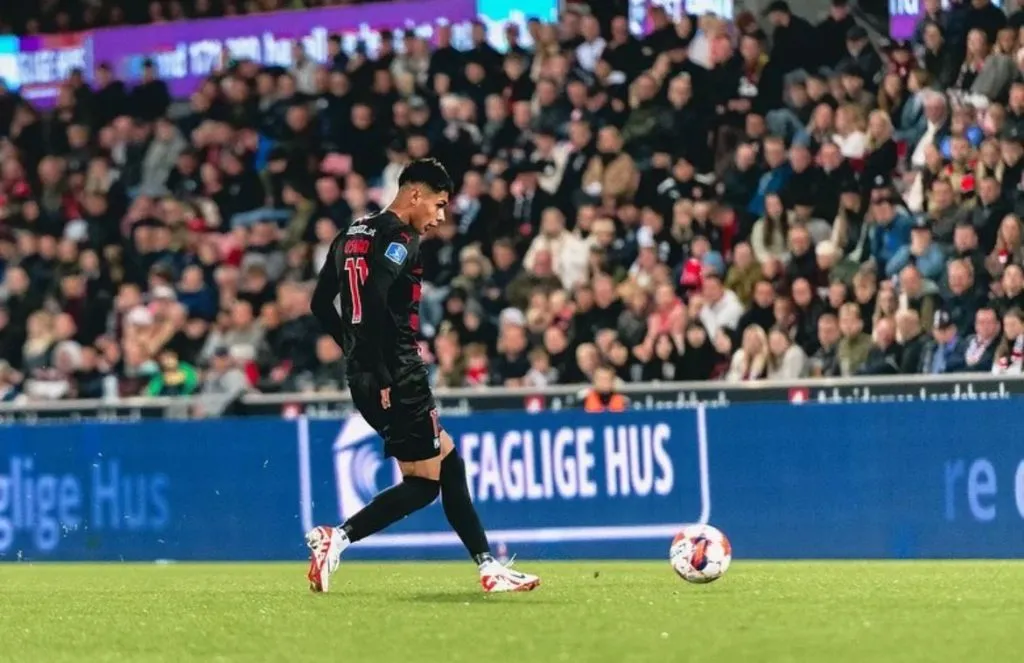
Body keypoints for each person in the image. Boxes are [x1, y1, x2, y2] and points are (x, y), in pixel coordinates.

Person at [306, 159, 539, 594]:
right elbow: (374, 298)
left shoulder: (350, 233)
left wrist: (357, 356)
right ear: (414, 195)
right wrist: (383, 370)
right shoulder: (400, 237)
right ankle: (336, 537)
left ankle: (489, 566)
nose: (440, 217)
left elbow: (321, 303)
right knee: (423, 484)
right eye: (438, 204)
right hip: (396, 372)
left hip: (367, 372)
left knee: (449, 462)